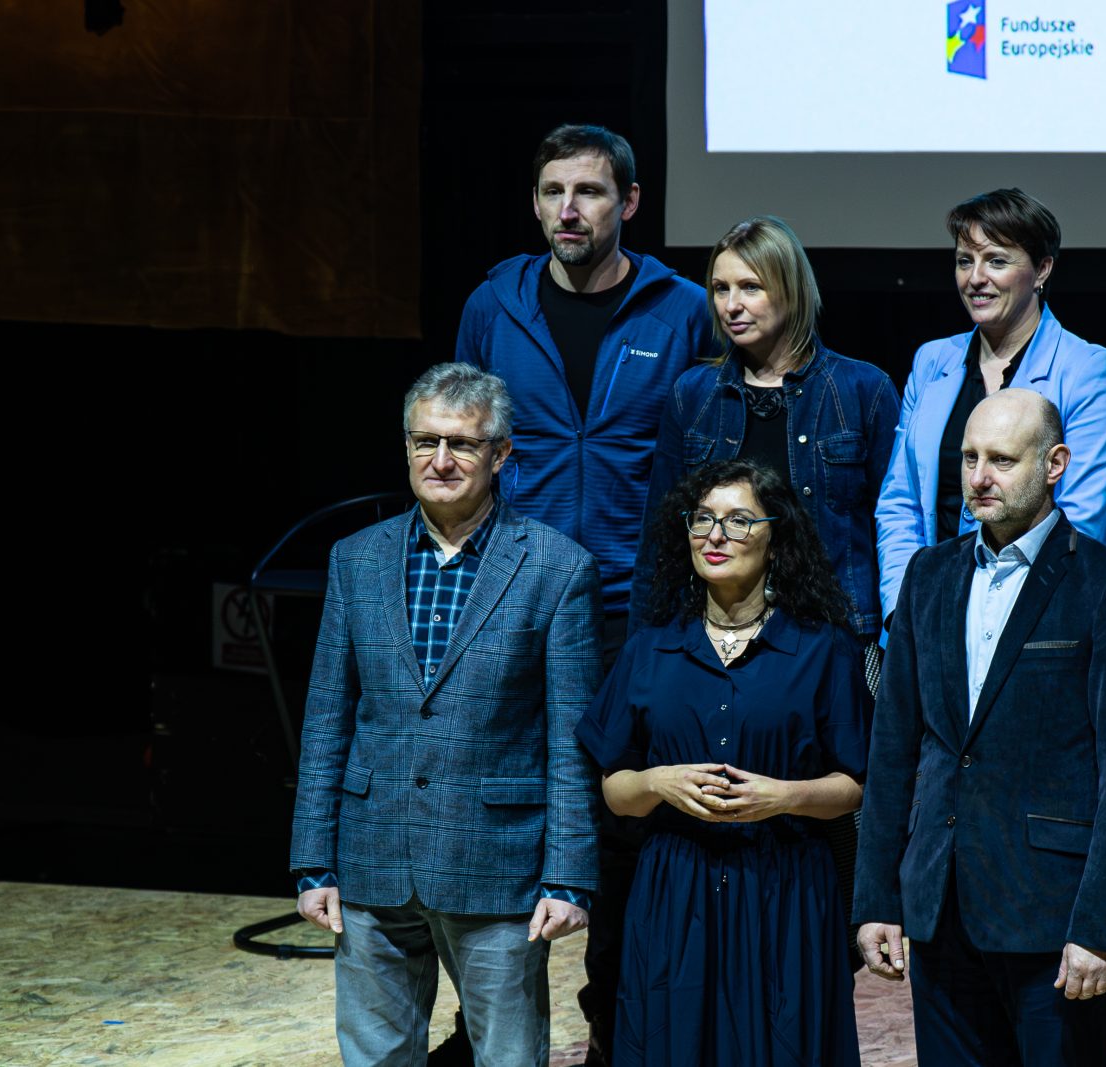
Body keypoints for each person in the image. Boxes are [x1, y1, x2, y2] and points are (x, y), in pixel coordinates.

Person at [453, 122, 711, 1062]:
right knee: (501, 818)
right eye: (554, 190)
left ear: (629, 204)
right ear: (535, 203)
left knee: (623, 826)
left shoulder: (681, 309)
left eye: (591, 192)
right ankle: (482, 1027)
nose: (571, 208)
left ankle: (614, 1026)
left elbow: (702, 458)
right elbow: (463, 436)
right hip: (510, 602)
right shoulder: (495, 303)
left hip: (635, 612)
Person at [289, 363, 600, 1067]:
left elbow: (567, 741)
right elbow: (326, 721)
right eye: (424, 440)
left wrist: (568, 876)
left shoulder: (558, 568)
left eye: (462, 443)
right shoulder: (355, 560)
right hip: (371, 857)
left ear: (501, 453)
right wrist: (313, 861)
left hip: (498, 863)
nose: (440, 459)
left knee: (509, 1056)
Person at [854, 389, 1106, 1066]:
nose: (979, 477)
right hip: (941, 905)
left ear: (1055, 462)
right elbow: (894, 748)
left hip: (1052, 919)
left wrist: (1099, 925)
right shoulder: (929, 574)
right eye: (969, 457)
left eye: (1001, 458)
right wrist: (878, 896)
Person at [576, 459, 871, 1067]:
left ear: (775, 537)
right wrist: (657, 781)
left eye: (738, 522)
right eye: (703, 519)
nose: (715, 536)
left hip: (787, 888)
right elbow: (616, 792)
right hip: (673, 890)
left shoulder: (822, 648)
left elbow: (857, 786)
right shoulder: (649, 650)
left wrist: (783, 796)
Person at [632, 214, 898, 653]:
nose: (730, 305)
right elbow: (659, 543)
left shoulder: (862, 390)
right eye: (721, 289)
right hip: (717, 634)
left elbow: (893, 531)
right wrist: (641, 654)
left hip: (835, 637)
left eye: (750, 287)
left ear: (790, 292)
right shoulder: (694, 395)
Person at [875, 188, 1106, 629]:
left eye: (997, 261)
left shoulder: (1083, 367)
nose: (975, 278)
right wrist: (903, 608)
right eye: (964, 261)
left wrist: (1007, 623)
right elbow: (900, 503)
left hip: (1031, 623)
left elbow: (1081, 517)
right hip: (928, 616)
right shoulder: (932, 362)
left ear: (1042, 269)